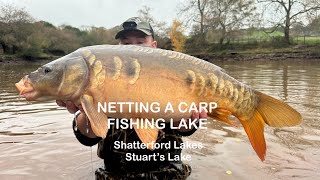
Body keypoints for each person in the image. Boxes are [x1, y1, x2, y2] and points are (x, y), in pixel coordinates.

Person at [57, 17, 208, 180]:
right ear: (118, 48)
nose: (133, 49)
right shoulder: (100, 80)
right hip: (115, 173)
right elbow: (87, 137)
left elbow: (185, 129)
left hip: (167, 171)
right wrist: (86, 110)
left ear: (154, 47)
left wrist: (188, 119)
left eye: (140, 42)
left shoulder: (172, 75)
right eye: (127, 44)